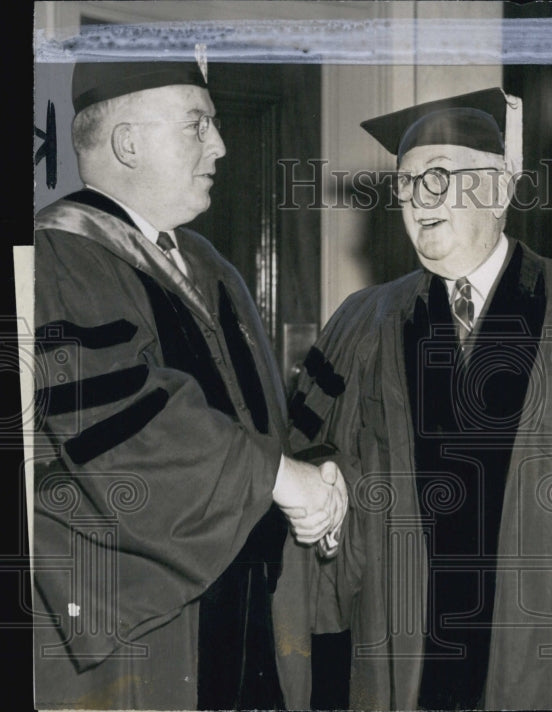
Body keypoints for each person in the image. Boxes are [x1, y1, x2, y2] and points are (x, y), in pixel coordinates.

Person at [273, 88, 552, 710]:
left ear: (499, 191)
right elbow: (319, 460)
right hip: (400, 647)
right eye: (407, 186)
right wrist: (329, 521)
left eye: (439, 178)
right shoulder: (364, 320)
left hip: (541, 641)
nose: (419, 203)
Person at [32, 59, 346, 710]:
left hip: (241, 613)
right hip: (143, 630)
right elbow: (124, 426)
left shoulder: (209, 267)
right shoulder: (59, 256)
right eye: (198, 124)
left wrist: (317, 480)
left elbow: (257, 424)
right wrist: (280, 478)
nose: (221, 145)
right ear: (128, 142)